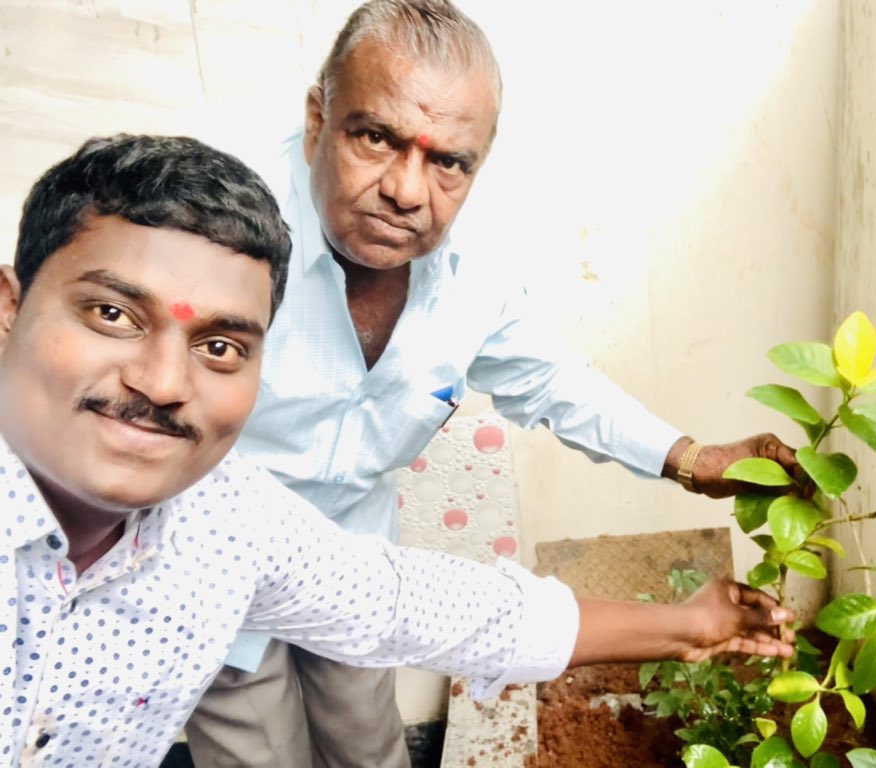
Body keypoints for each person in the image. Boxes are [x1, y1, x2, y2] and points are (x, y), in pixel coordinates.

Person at [0, 133, 794, 767]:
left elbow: (434, 607)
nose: (163, 381)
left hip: (328, 561)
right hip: (224, 620)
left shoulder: (222, 521)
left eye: (220, 347)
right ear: (321, 120)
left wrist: (690, 606)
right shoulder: (238, 233)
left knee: (368, 743)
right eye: (111, 315)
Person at [184, 1, 808, 767]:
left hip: (358, 558)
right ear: (318, 120)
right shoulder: (212, 231)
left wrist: (688, 456)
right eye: (375, 138)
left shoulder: (469, 269)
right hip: (214, 566)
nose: (408, 190)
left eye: (449, 161)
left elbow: (549, 379)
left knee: (368, 744)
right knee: (254, 754)